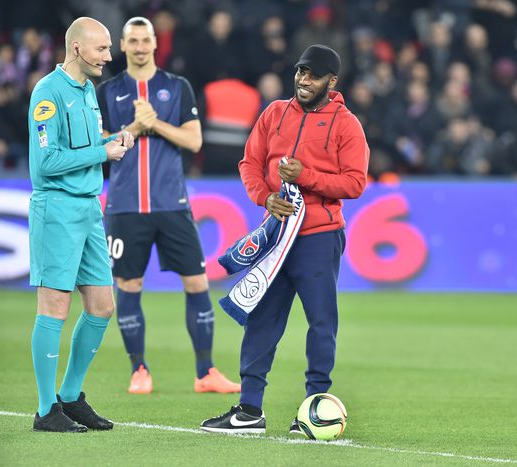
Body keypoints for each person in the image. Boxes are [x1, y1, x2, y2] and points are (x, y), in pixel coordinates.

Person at [200, 44, 370, 435]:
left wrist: (305, 176)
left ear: (331, 81)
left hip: (318, 238)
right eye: (300, 71)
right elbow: (249, 163)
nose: (303, 80)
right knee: (262, 320)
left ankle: (313, 409)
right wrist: (265, 197)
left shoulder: (346, 124)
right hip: (276, 237)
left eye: (313, 74)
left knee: (321, 322)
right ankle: (249, 411)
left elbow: (355, 183)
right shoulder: (274, 113)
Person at [96, 17, 240, 395]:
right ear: (122, 46)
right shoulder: (107, 91)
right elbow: (100, 145)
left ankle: (206, 372)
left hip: (172, 204)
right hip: (125, 206)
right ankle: (139, 370)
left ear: (156, 43)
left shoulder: (178, 87)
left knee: (197, 282)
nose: (140, 47)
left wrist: (154, 123)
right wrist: (136, 127)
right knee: (129, 284)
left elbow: (194, 141)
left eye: (146, 40)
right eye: (133, 41)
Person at [28, 17, 133, 432]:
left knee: (102, 306)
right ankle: (45, 410)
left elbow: (82, 148)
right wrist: (102, 153)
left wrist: (110, 142)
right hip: (57, 208)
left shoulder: (88, 90)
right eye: (102, 48)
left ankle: (70, 397)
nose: (109, 56)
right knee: (54, 306)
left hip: (89, 209)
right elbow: (47, 162)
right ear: (76, 48)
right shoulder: (47, 93)